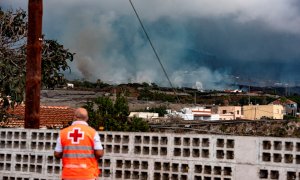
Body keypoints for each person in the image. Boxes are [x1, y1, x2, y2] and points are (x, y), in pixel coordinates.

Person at [54, 107, 104, 180]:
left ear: (74, 117)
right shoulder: (92, 132)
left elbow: (57, 154)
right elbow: (99, 153)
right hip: (87, 174)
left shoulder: (63, 133)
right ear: (87, 118)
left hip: (68, 175)